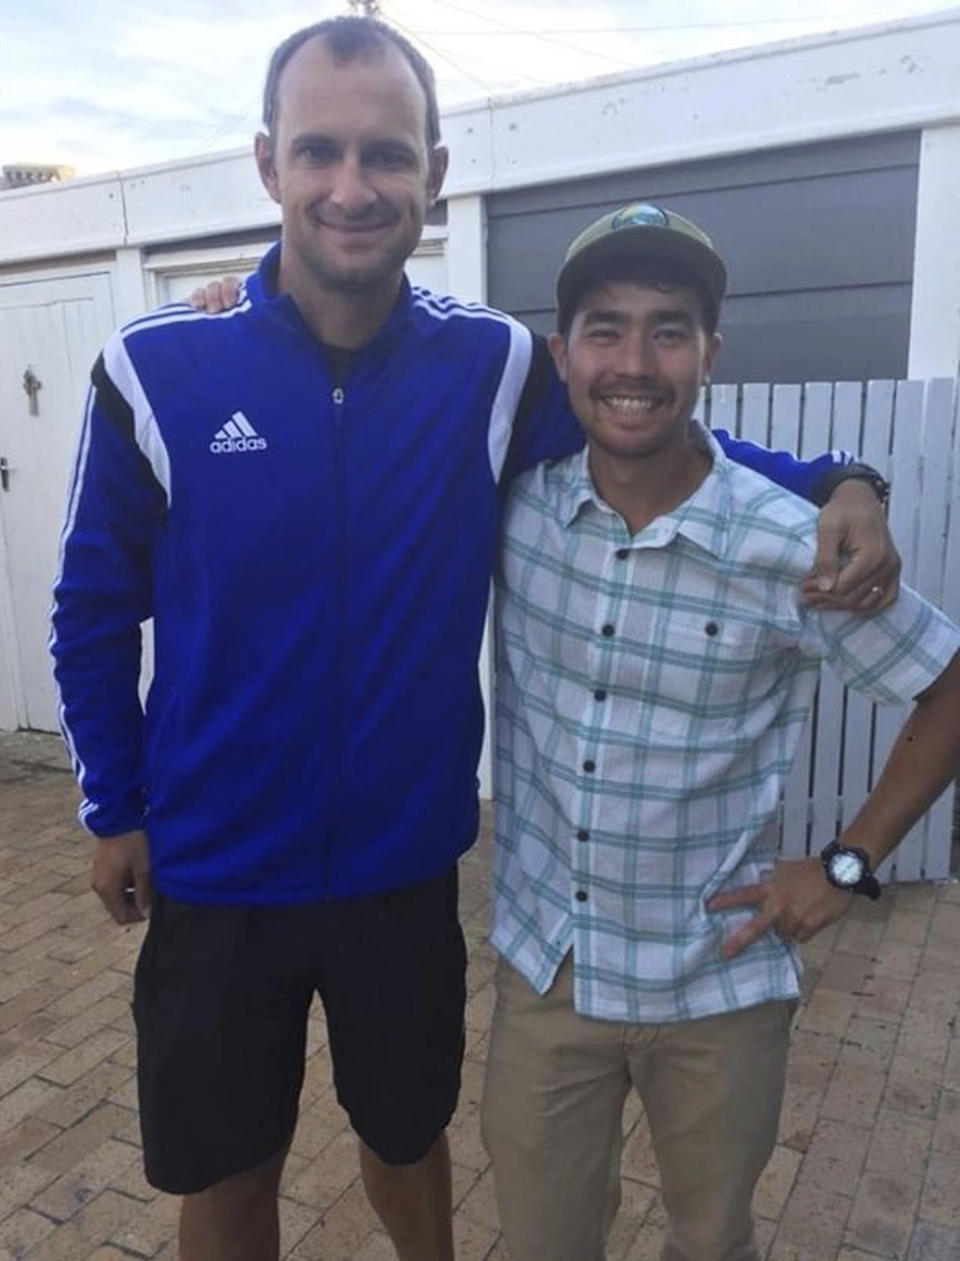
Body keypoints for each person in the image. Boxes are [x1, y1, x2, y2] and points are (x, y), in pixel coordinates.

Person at [50, 16, 897, 1261]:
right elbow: (90, 607)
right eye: (320, 151)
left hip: (402, 877)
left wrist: (843, 476)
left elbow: (656, 432)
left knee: (407, 1148)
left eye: (386, 155)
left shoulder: (489, 366)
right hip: (216, 875)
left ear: (434, 174)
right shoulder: (156, 368)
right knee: (229, 1175)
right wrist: (113, 807)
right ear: (268, 162)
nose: (353, 186)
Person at [480, 201, 960, 1261]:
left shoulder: (791, 543)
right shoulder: (511, 510)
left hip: (717, 983)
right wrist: (244, 304)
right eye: (606, 328)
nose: (635, 360)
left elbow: (948, 684)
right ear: (563, 354)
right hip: (547, 972)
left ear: (710, 352)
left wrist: (846, 863)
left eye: (669, 328)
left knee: (712, 1244)